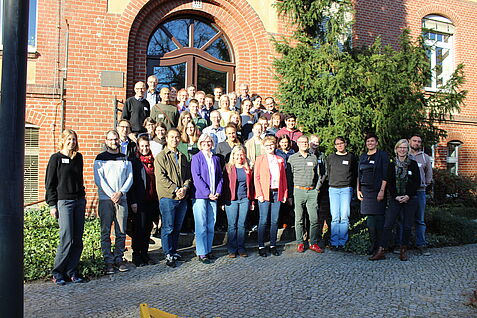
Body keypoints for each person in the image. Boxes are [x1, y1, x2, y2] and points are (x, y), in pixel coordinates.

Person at [46, 129, 86, 285]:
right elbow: (50, 184)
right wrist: (52, 205)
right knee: (67, 238)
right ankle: (58, 272)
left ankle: (72, 271)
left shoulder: (78, 158)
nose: (72, 142)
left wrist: (82, 196)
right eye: (69, 139)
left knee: (78, 239)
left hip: (79, 201)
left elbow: (80, 179)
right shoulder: (55, 158)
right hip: (64, 202)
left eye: (74, 139)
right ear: (63, 140)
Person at [369, 139, 420, 261]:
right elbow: (389, 182)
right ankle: (381, 250)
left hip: (409, 199)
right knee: (388, 225)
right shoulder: (392, 165)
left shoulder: (413, 164)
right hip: (395, 199)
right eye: (400, 148)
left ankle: (403, 250)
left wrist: (408, 195)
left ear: (407, 150)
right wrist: (396, 196)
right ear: (396, 149)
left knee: (407, 226)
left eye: (405, 148)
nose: (402, 150)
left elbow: (416, 182)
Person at [94, 130, 133, 274]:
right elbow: (99, 179)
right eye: (110, 140)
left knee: (121, 231)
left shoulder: (125, 158)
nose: (113, 142)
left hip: (121, 198)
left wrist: (121, 193)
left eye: (115, 139)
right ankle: (108, 261)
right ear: (106, 141)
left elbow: (130, 177)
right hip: (106, 200)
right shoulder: (100, 158)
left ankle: (119, 259)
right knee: (105, 231)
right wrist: (111, 194)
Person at [154, 129, 192, 268]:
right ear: (167, 138)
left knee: (177, 227)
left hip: (182, 197)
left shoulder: (182, 156)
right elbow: (161, 178)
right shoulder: (161, 157)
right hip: (168, 197)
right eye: (171, 137)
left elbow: (188, 176)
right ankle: (168, 253)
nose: (174, 140)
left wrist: (185, 188)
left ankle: (174, 250)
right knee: (168, 227)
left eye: (177, 137)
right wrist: (176, 189)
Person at [287, 135, 324, 253]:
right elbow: (289, 177)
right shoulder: (292, 158)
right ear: (297, 143)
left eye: (306, 142)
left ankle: (313, 242)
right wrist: (290, 195)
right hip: (298, 191)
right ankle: (300, 243)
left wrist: (317, 189)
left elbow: (320, 175)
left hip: (312, 191)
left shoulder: (313, 158)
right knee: (299, 219)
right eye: (302, 142)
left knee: (314, 219)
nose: (304, 144)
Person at [191, 134, 223, 264]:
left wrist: (218, 192)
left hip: (214, 196)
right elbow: (196, 177)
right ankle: (201, 252)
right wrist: (207, 192)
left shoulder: (215, 159)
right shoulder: (196, 158)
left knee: (211, 224)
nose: (207, 143)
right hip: (200, 196)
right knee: (201, 225)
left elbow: (220, 176)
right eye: (204, 141)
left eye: (209, 141)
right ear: (200, 143)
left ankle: (208, 250)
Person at [254, 136, 288, 257]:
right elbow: (256, 177)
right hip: (264, 193)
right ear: (264, 146)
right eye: (267, 145)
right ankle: (261, 245)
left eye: (272, 145)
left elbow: (283, 178)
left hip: (276, 192)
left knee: (274, 220)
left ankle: (273, 245)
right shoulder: (260, 159)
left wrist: (284, 193)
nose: (270, 147)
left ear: (275, 146)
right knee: (263, 220)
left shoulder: (280, 159)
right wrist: (259, 194)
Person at [129, 136, 159, 267]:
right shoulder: (134, 161)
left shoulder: (154, 161)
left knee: (147, 228)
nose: (144, 148)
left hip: (152, 199)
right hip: (139, 200)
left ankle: (145, 254)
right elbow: (131, 183)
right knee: (138, 229)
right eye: (142, 146)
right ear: (138, 147)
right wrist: (133, 201)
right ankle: (137, 255)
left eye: (146, 146)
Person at [357, 133, 389, 255]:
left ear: (376, 142)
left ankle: (381, 247)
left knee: (379, 221)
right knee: (370, 221)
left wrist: (382, 191)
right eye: (368, 141)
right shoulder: (363, 156)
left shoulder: (382, 155)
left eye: (372, 141)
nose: (370, 143)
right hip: (366, 192)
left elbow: (385, 174)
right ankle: (373, 245)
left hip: (378, 191)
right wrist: (358, 189)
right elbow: (358, 174)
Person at [223, 146, 254, 258]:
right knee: (232, 225)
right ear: (233, 155)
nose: (239, 157)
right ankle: (232, 249)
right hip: (231, 200)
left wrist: (252, 202)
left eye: (242, 154)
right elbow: (224, 186)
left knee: (242, 225)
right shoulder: (228, 168)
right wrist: (222, 202)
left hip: (244, 199)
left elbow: (251, 186)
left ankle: (241, 248)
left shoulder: (248, 169)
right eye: (237, 154)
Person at [326, 136, 357, 250]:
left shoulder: (351, 157)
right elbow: (328, 172)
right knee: (335, 217)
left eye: (341, 143)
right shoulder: (330, 158)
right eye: (337, 144)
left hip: (346, 189)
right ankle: (334, 242)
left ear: (345, 144)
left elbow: (354, 173)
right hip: (333, 189)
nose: (339, 145)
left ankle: (343, 242)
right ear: (335, 146)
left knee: (344, 216)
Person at [408, 134, 433, 255]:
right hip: (406, 192)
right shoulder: (404, 155)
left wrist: (425, 184)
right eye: (414, 141)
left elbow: (429, 174)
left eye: (419, 141)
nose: (416, 143)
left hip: (420, 191)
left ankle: (421, 244)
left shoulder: (425, 157)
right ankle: (401, 244)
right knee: (403, 219)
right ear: (409, 142)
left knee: (420, 219)